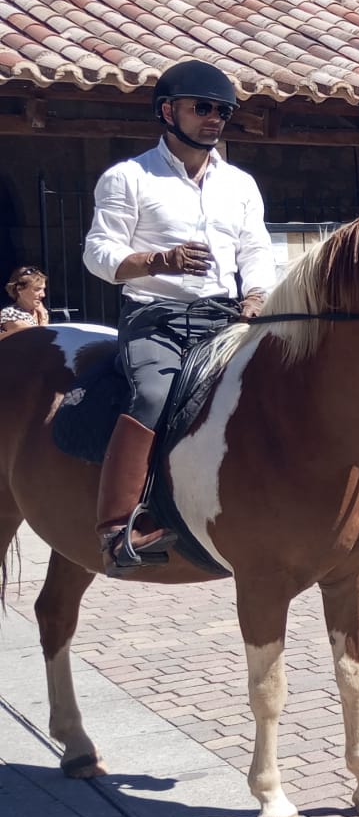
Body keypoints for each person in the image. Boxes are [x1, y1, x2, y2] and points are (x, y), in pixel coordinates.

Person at [82, 60, 273, 574]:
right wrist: (156, 262)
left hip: (224, 317)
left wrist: (256, 294)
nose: (215, 119)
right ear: (168, 111)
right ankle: (119, 525)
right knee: (154, 394)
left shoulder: (240, 185)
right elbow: (98, 253)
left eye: (223, 111)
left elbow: (256, 249)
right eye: (203, 108)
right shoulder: (128, 178)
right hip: (155, 318)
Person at [0, 266, 49, 336]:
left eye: (43, 289)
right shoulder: (10, 315)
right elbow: (37, 339)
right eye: (37, 289)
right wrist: (43, 317)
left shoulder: (39, 312)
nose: (43, 295)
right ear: (19, 289)